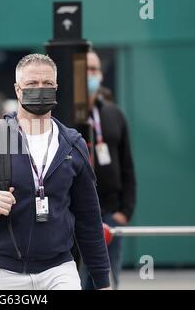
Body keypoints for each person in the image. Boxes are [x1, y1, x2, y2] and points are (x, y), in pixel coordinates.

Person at [0, 54, 110, 290]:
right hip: (0, 272)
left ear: (56, 87)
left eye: (47, 84)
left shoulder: (72, 144)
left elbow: (88, 216)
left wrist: (102, 282)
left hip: (59, 270)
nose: (40, 89)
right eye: (31, 84)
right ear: (18, 90)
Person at [80, 50, 137, 289]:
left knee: (108, 281)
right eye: (84, 70)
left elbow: (127, 166)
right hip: (76, 213)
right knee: (76, 280)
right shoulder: (63, 114)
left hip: (111, 212)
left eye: (94, 69)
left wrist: (125, 211)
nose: (90, 74)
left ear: (101, 74)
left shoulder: (114, 114)